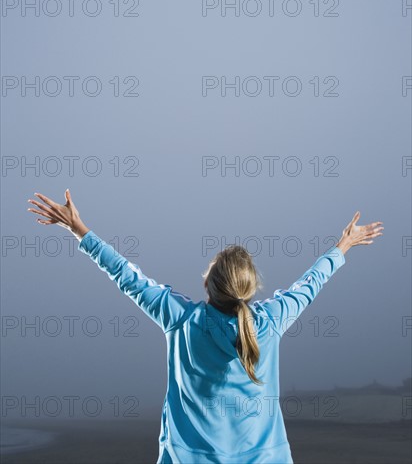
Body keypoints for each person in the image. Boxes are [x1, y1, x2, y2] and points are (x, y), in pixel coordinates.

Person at [27, 189, 384, 464]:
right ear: (248, 289)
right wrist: (344, 245)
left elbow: (127, 276)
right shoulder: (270, 322)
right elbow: (310, 284)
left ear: (207, 284)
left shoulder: (182, 319)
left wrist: (79, 229)